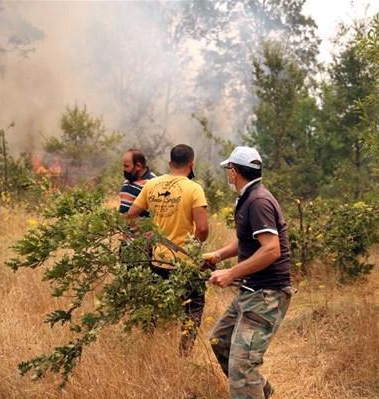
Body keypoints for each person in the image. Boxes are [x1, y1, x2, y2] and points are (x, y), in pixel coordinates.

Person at [203, 146, 292, 399]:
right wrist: (217, 256)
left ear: (234, 171)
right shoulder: (248, 197)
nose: (227, 174)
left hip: (267, 294)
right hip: (251, 290)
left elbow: (271, 250)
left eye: (228, 169)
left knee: (242, 367)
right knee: (220, 342)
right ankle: (260, 391)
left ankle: (251, 388)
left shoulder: (258, 201)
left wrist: (231, 273)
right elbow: (247, 242)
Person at [126, 144, 209, 354]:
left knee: (153, 306)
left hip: (158, 260)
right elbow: (203, 228)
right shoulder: (194, 188)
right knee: (193, 306)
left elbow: (131, 215)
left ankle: (147, 347)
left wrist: (145, 235)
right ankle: (184, 353)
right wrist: (196, 246)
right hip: (185, 262)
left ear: (170, 163)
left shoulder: (152, 184)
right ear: (192, 164)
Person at [119, 148, 156, 216]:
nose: (124, 169)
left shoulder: (152, 183)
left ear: (138, 166)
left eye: (126, 166)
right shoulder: (127, 181)